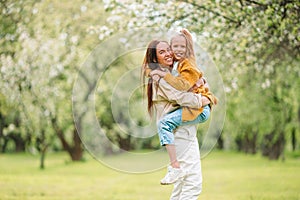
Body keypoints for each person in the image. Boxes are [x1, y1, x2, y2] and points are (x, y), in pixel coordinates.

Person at [148, 29, 217, 185]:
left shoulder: (179, 67)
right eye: (174, 47)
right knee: (188, 183)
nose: (175, 51)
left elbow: (184, 89)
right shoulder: (168, 73)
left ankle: (175, 167)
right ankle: (175, 167)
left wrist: (204, 95)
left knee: (190, 182)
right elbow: (180, 94)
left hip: (196, 110)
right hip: (191, 113)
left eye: (182, 47)